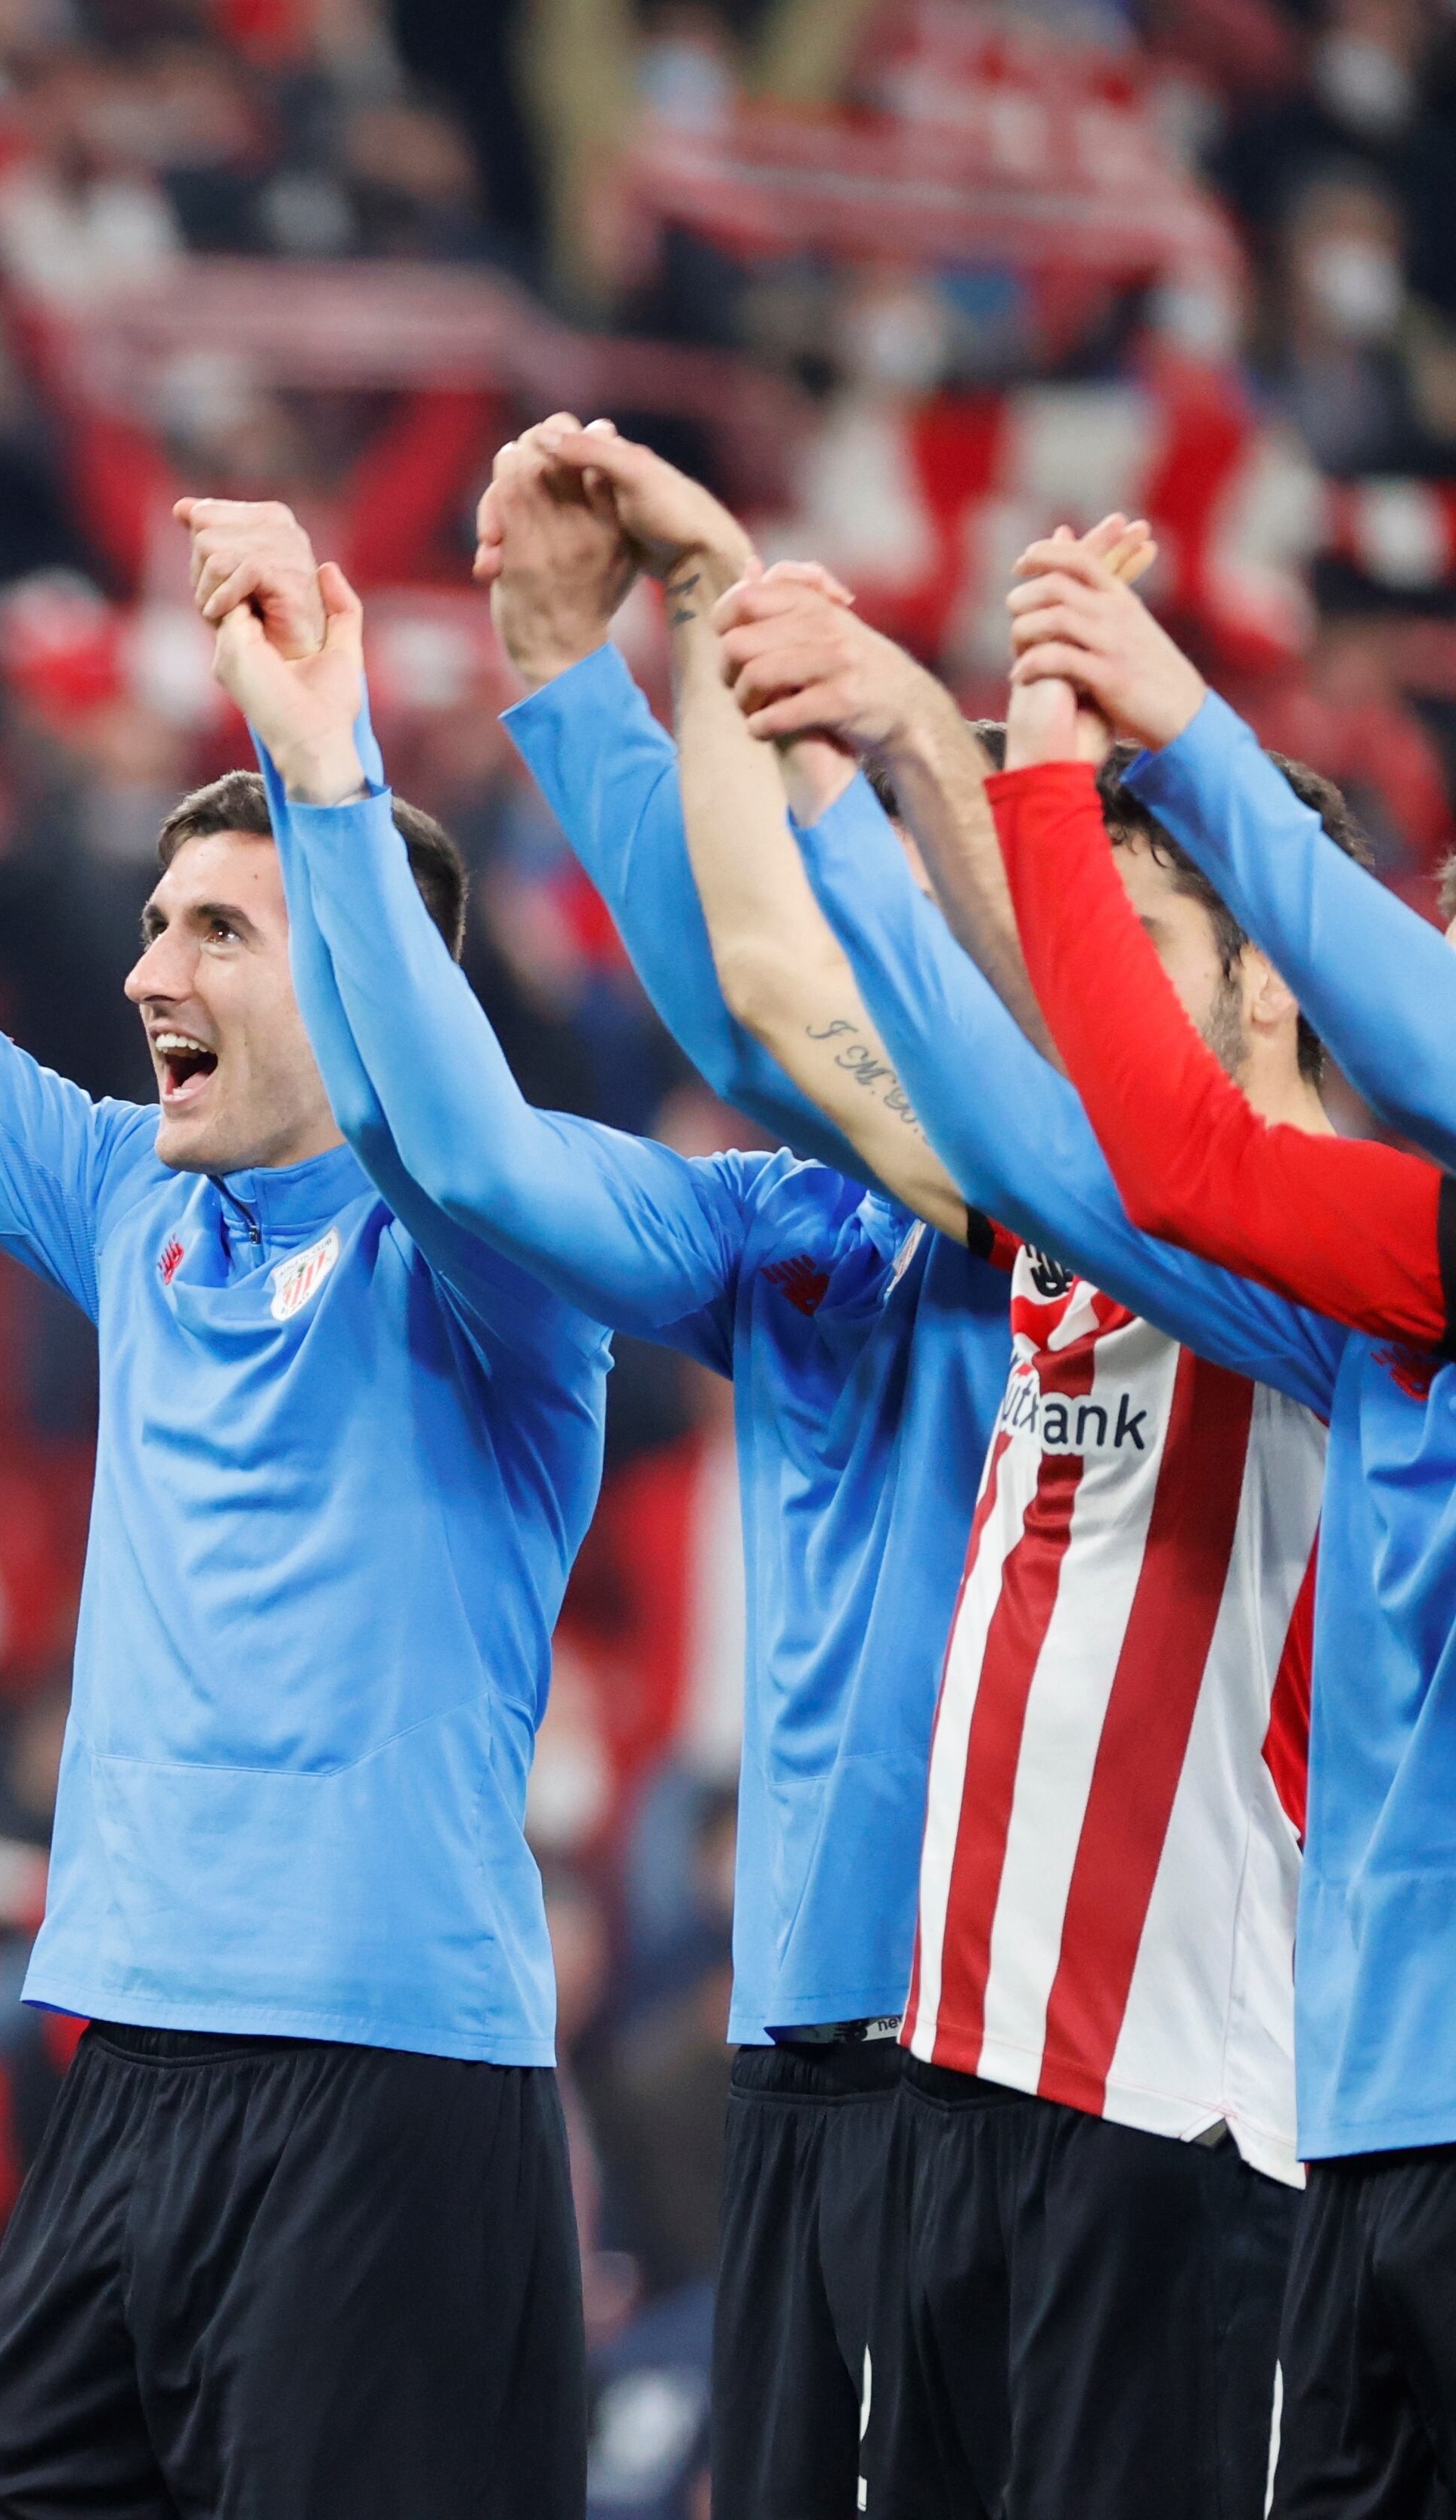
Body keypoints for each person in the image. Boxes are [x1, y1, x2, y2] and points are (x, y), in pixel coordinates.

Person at [0, 484, 595, 2512]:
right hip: (120, 2053)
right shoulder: (133, 1195)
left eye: (220, 928)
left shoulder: (498, 1249)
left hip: (392, 2080)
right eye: (151, 922)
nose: (149, 972)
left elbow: (441, 1113)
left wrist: (331, 764)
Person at [231, 418, 1012, 2519]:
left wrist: (675, 632)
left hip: (1050, 2049)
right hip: (811, 2036)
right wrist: (555, 679)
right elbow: (471, 1151)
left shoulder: (1091, 1211)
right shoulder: (790, 1221)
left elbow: (770, 999)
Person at [700, 528, 1351, 2518]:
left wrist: (908, 732)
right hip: (971, 2063)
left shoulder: (1314, 1261)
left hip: (1177, 2114)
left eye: (1138, 943)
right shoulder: (1075, 1232)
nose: (1087, 990)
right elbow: (835, 1012)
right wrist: (833, 749)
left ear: (1262, 976)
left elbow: (1036, 1086)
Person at [977, 529, 1456, 2520]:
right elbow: (1164, 1158)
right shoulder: (1406, 1275)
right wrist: (1036, 767)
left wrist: (1174, 738)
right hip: (1371, 2123)